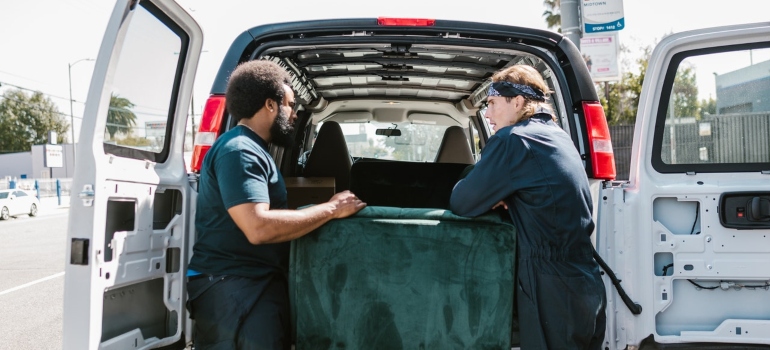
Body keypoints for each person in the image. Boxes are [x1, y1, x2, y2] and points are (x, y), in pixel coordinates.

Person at [186, 60, 366, 350]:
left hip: (251, 284)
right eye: (290, 105)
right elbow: (258, 227)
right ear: (270, 105)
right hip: (233, 287)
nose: (293, 114)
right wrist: (331, 209)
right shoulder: (240, 151)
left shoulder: (255, 148)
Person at [449, 65, 606, 349]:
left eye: (493, 104)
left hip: (551, 288)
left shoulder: (514, 140)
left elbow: (462, 202)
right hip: (584, 281)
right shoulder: (557, 136)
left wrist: (498, 196)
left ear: (518, 102)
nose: (487, 114)